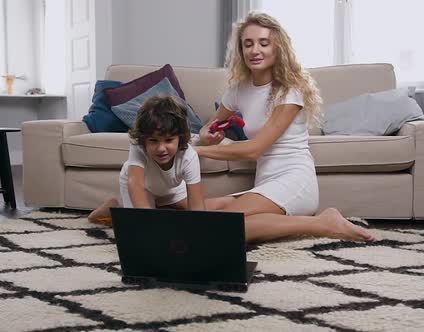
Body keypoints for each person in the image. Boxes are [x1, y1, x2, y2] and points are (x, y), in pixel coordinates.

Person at [194, 12, 376, 243]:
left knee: (219, 226)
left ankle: (322, 224)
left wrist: (199, 150)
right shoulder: (238, 90)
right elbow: (209, 126)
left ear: (277, 48)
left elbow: (254, 150)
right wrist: (205, 134)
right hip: (266, 184)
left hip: (294, 181)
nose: (254, 50)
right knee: (200, 212)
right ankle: (319, 222)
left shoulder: (289, 91)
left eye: (263, 43)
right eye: (247, 44)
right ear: (241, 50)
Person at [88, 95, 206, 225]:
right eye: (153, 141)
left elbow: (197, 209)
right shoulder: (138, 147)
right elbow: (136, 184)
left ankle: (156, 208)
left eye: (168, 140)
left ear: (180, 137)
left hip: (170, 188)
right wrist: (147, 222)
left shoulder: (189, 156)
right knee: (141, 224)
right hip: (142, 186)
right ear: (144, 140)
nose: (161, 148)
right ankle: (117, 205)